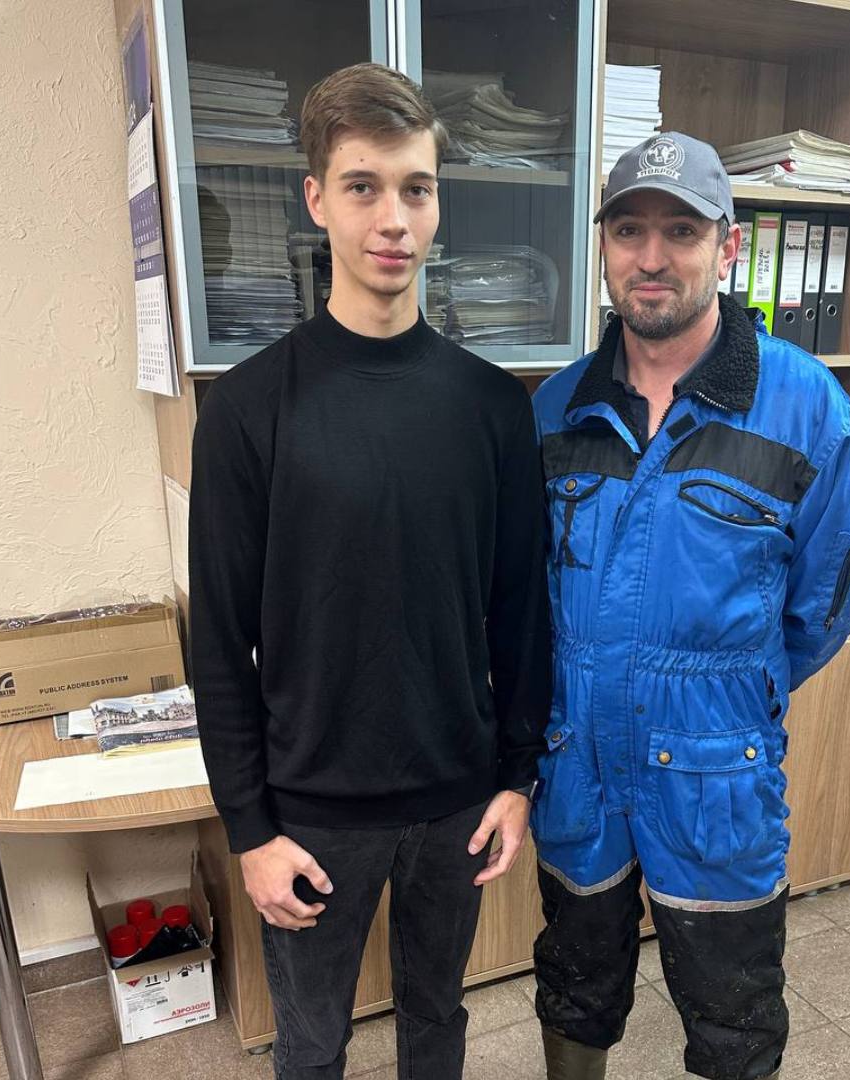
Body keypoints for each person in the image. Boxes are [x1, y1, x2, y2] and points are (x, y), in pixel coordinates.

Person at [188, 62, 550, 1080]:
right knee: (311, 1046)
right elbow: (218, 644)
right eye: (363, 187)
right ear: (317, 200)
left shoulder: (492, 407)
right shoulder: (248, 411)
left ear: (437, 202)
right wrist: (249, 829)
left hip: (457, 801)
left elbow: (522, 611)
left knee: (438, 1020)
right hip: (309, 813)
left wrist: (518, 776)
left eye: (416, 188)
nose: (393, 218)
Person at [529, 132, 850, 1080]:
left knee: (734, 1017)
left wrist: (740, 687)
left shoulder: (809, 409)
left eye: (681, 231)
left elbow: (835, 591)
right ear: (604, 247)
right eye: (630, 231)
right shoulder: (555, 411)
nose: (653, 257)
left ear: (727, 248)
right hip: (576, 763)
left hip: (717, 769)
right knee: (573, 983)